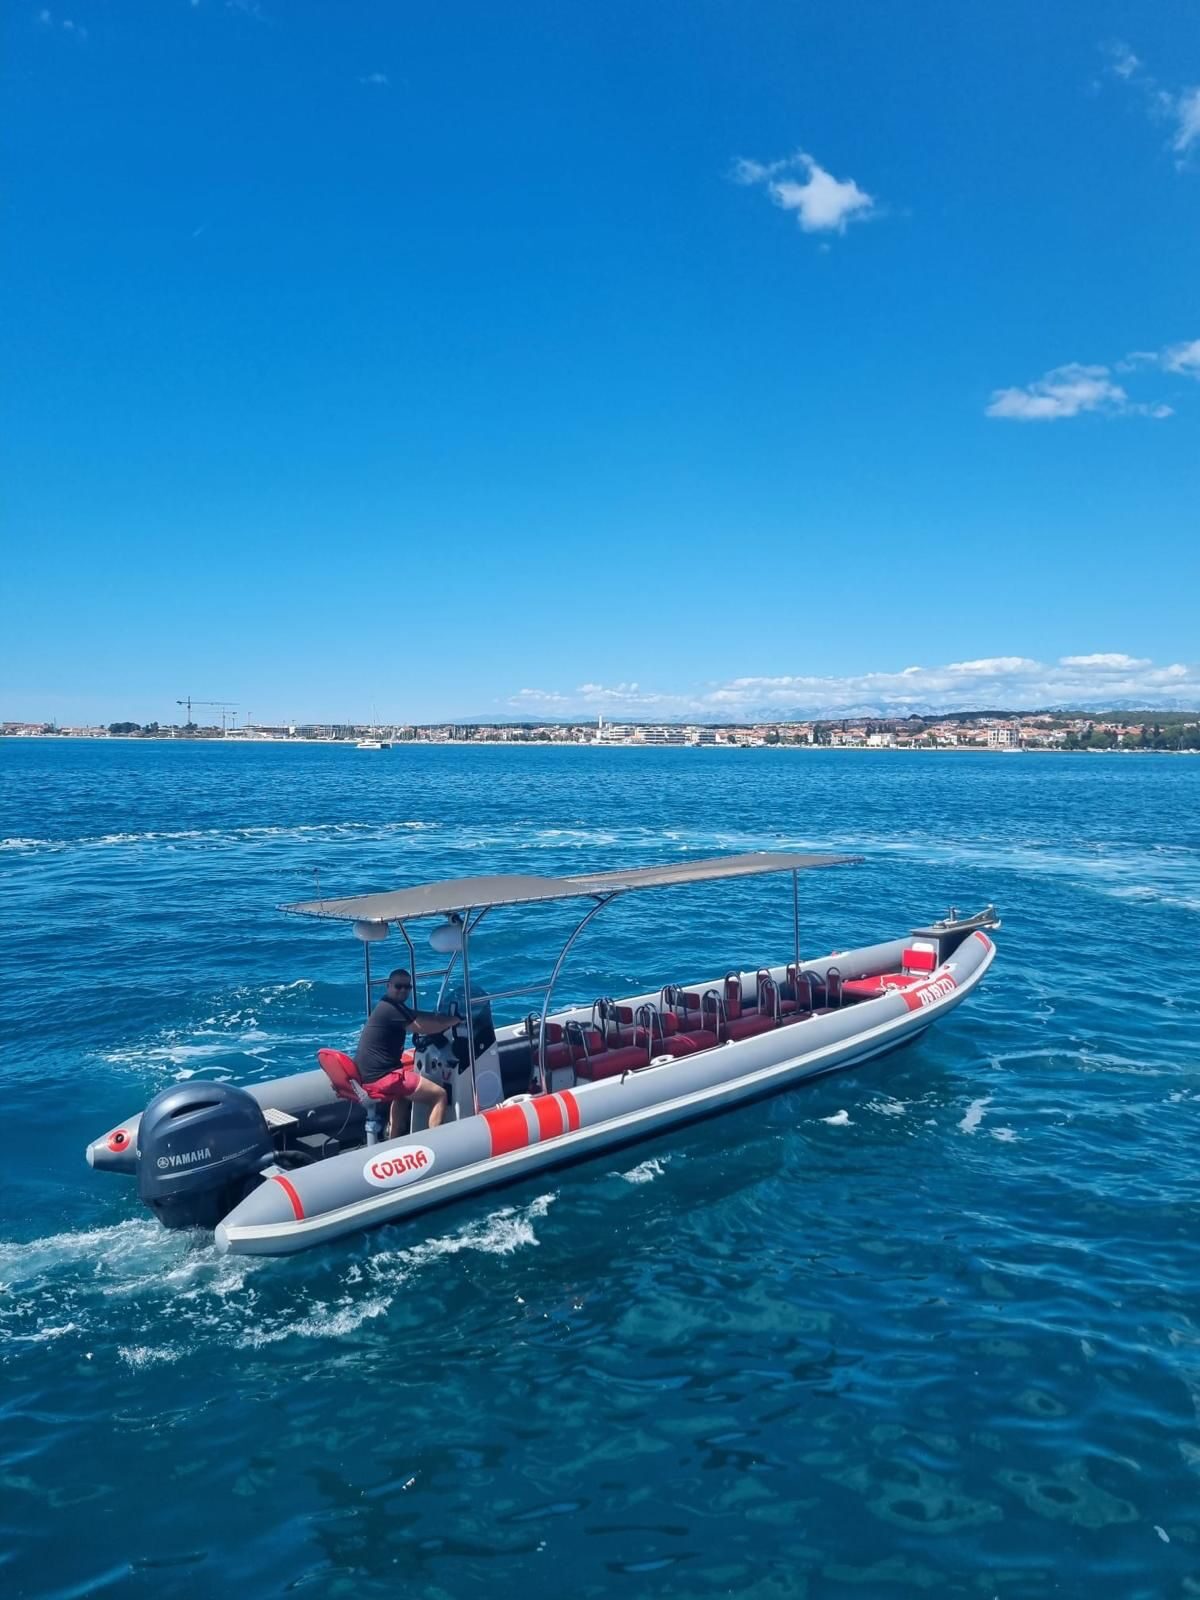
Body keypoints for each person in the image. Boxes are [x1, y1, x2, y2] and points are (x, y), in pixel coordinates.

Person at [355, 969, 461, 1137]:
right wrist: (454, 1020)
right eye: (398, 986)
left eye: (407, 987)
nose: (403, 990)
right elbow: (424, 1027)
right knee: (439, 1095)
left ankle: (395, 1137)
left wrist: (439, 1016)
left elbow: (416, 1015)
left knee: (402, 1096)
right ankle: (437, 1143)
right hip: (381, 1078)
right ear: (388, 986)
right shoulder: (391, 1010)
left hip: (370, 1075)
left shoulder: (389, 1006)